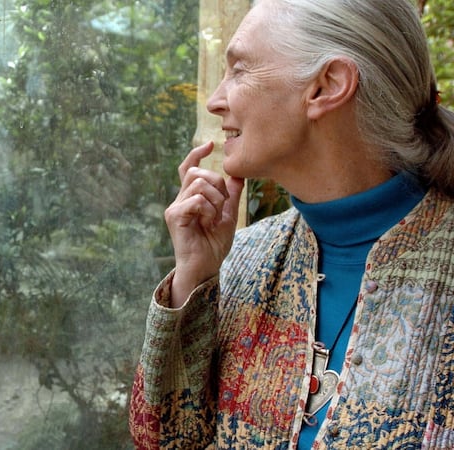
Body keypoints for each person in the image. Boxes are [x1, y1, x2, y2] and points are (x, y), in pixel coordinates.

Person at [128, 0, 454, 448]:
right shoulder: (243, 256)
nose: (215, 99)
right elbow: (167, 439)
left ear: (327, 86)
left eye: (239, 70)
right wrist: (193, 279)